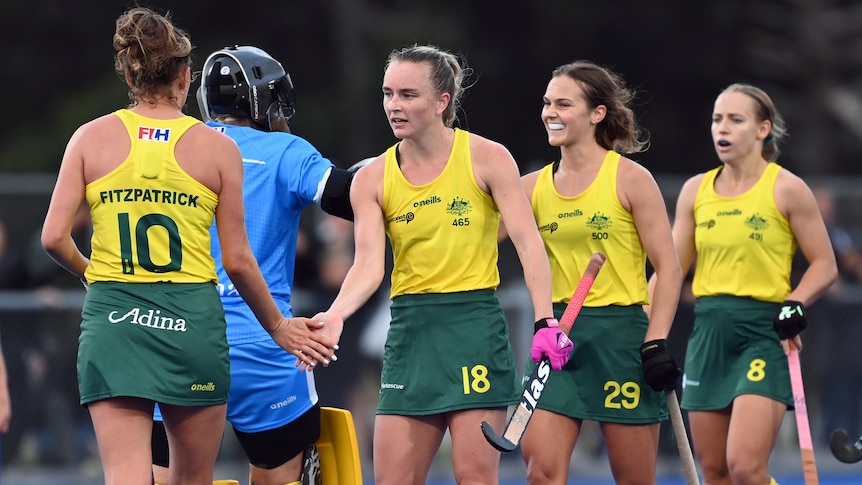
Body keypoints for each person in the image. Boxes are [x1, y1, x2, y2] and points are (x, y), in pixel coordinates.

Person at [39, 9, 335, 485]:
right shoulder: (217, 149)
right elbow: (237, 261)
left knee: (127, 476)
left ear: (129, 73)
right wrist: (277, 326)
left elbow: (53, 238)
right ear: (184, 77)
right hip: (191, 323)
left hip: (116, 321)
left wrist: (94, 273)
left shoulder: (89, 137)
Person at [313, 44, 556, 485]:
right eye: (388, 93)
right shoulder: (371, 178)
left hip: (473, 331)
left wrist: (545, 321)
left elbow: (528, 244)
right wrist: (335, 314)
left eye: (408, 94)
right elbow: (368, 266)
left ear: (442, 101)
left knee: (474, 477)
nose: (394, 105)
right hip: (410, 335)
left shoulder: (488, 157)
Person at [149, 44, 356, 485]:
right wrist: (388, 167)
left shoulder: (176, 144)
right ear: (264, 99)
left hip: (173, 340)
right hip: (261, 342)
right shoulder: (286, 150)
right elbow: (346, 196)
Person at [502, 61, 683, 485]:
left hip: (620, 339)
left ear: (596, 113)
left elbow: (670, 269)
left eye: (564, 104)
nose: (551, 112)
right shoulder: (529, 188)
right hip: (558, 340)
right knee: (541, 473)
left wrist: (656, 343)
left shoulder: (631, 179)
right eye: (547, 103)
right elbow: (473, 238)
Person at [664, 83, 837, 485]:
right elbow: (670, 272)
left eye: (735, 120)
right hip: (708, 334)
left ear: (763, 129)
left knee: (745, 467)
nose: (721, 128)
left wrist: (795, 301)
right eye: (716, 119)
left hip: (764, 333)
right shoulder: (696, 191)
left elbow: (825, 265)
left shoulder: (787, 188)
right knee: (716, 472)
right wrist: (640, 319)